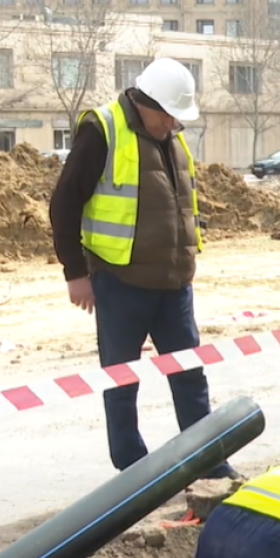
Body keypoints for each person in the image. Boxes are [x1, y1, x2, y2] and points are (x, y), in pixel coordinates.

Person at [48, 58, 238, 480]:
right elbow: (64, 203)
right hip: (120, 281)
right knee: (122, 380)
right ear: (144, 101)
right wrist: (75, 272)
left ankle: (207, 462)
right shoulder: (103, 130)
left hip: (174, 284)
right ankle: (133, 470)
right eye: (167, 114)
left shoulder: (170, 137)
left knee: (190, 376)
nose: (172, 124)